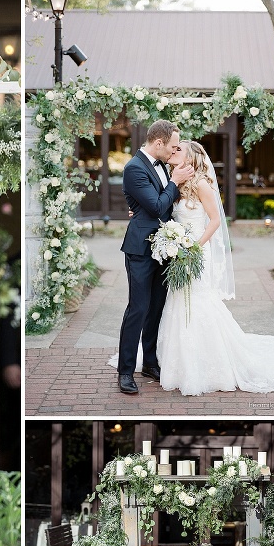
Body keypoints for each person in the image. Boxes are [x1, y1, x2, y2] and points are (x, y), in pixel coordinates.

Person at [157, 140, 274, 395]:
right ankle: (178, 364)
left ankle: (212, 364)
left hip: (197, 252)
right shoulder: (174, 183)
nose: (173, 151)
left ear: (190, 158)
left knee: (199, 301)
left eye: (179, 149)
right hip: (179, 252)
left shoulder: (202, 183)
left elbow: (214, 221)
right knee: (179, 301)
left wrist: (194, 247)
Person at [116, 120, 195, 394]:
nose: (175, 151)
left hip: (165, 249)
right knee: (137, 309)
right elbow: (157, 205)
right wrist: (174, 182)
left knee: (156, 309)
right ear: (158, 143)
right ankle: (125, 371)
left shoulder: (162, 166)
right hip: (140, 249)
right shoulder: (134, 168)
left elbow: (164, 207)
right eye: (173, 146)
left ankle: (150, 362)